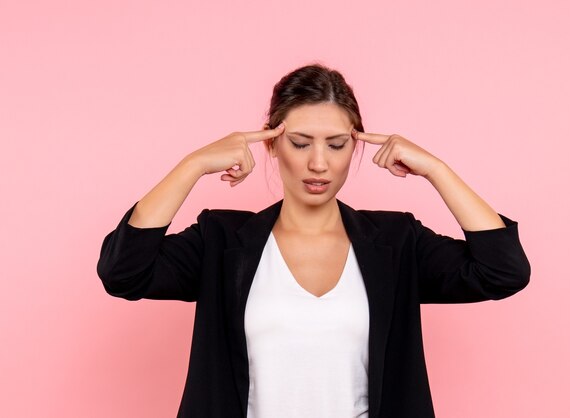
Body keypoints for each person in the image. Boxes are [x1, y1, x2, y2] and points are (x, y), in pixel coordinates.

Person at [97, 63, 530, 418]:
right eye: (300, 143)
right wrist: (192, 165)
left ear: (356, 146)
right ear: (270, 144)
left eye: (338, 145)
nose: (318, 163)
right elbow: (123, 273)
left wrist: (436, 169)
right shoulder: (222, 240)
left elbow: (502, 271)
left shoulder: (397, 243)